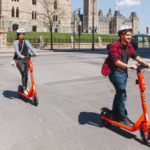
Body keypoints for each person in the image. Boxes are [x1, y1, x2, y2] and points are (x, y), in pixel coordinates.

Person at [101, 25, 150, 127]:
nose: (129, 37)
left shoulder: (129, 45)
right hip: (114, 72)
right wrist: (129, 66)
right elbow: (116, 61)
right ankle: (122, 118)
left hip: (123, 72)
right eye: (127, 35)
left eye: (130, 35)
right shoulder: (114, 46)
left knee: (119, 93)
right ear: (121, 35)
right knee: (122, 94)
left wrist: (145, 63)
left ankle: (114, 114)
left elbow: (134, 55)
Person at [13, 28, 39, 95]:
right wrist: (20, 55)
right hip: (19, 60)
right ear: (18, 35)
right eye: (20, 34)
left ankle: (25, 87)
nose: (22, 36)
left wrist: (35, 53)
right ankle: (24, 89)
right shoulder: (15, 42)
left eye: (23, 34)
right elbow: (17, 50)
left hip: (26, 59)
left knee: (27, 75)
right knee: (23, 74)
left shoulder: (26, 41)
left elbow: (30, 47)